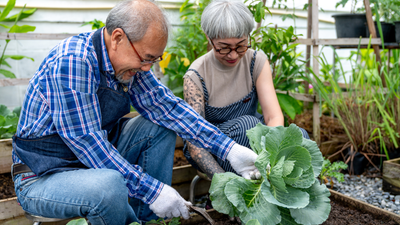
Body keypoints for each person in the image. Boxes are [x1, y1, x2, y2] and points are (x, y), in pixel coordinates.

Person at [11, 1, 261, 224]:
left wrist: (229, 149)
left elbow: (168, 108)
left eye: (154, 60)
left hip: (93, 166)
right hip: (44, 176)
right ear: (118, 37)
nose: (147, 67)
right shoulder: (72, 63)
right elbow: (89, 145)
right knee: (108, 187)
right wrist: (153, 191)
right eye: (146, 58)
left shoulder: (131, 62)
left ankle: (147, 220)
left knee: (160, 125)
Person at [183, 0, 310, 179]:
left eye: (241, 45)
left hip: (253, 140)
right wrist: (222, 182)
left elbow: (273, 117)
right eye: (224, 48)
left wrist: (270, 156)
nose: (233, 54)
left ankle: (282, 199)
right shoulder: (196, 76)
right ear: (208, 38)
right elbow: (195, 143)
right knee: (246, 126)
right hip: (215, 149)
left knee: (300, 137)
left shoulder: (255, 61)